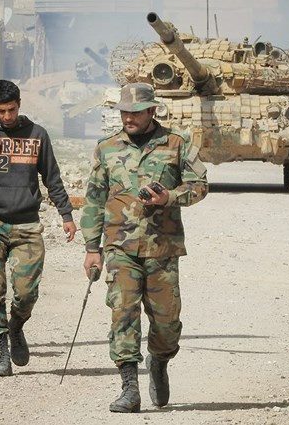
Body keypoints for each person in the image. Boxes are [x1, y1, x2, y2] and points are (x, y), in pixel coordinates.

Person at [81, 82, 208, 413]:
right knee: (123, 313)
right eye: (124, 112)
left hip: (162, 247)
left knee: (167, 323)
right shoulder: (106, 148)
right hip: (120, 248)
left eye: (136, 112)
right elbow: (94, 199)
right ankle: (129, 387)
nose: (129, 118)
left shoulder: (176, 143)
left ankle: (159, 360)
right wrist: (92, 248)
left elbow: (200, 185)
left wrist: (169, 197)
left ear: (152, 110)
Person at [0, 80, 77, 377]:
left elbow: (52, 178)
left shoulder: (38, 135)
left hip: (27, 226)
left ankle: (16, 326)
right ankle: (1, 354)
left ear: (19, 104)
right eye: (1, 111)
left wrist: (66, 214)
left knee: (26, 293)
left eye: (11, 110)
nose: (7, 116)